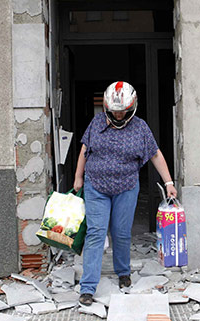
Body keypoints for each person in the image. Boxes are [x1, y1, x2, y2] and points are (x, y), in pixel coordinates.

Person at [73, 81, 177, 306]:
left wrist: (168, 182)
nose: (119, 116)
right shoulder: (97, 122)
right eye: (114, 112)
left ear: (132, 108)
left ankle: (123, 273)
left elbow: (155, 155)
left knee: (121, 233)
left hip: (126, 187)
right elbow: (84, 149)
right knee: (95, 234)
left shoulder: (140, 128)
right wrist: (78, 177)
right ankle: (88, 287)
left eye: (123, 112)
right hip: (96, 186)